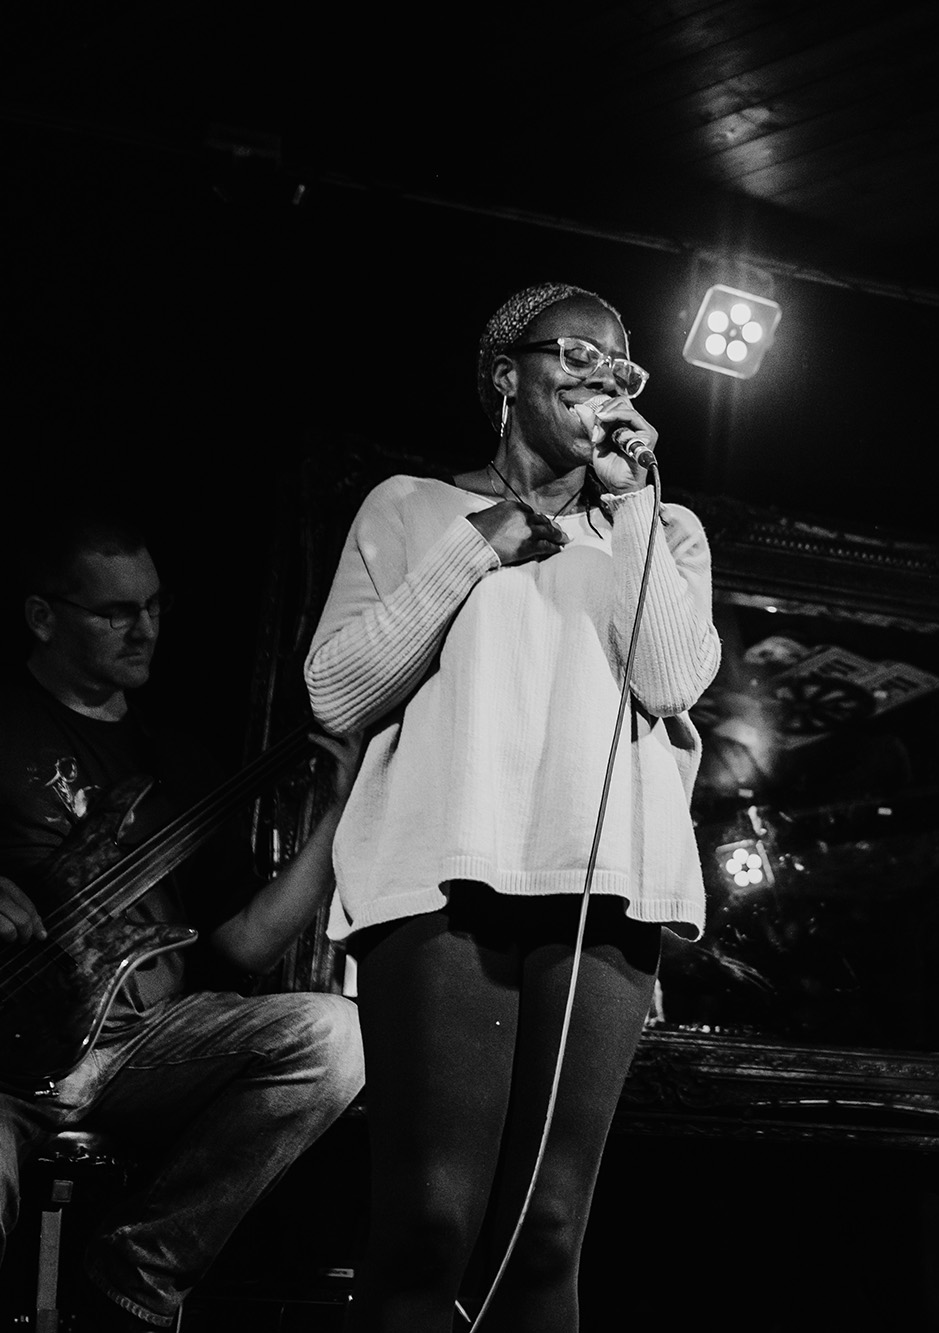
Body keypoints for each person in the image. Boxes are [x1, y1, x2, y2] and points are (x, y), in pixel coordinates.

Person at [305, 281, 719, 1333]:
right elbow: (338, 691)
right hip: (440, 880)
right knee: (428, 1222)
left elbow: (671, 677)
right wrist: (478, 545)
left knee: (545, 1232)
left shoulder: (660, 527)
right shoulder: (411, 507)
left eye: (618, 365)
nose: (600, 378)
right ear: (505, 374)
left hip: (606, 890)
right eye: (573, 355)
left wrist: (632, 505)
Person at [0, 512, 366, 1332]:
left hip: (144, 1047)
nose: (145, 628)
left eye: (155, 605)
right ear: (43, 616)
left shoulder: (179, 761)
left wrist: (337, 818)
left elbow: (244, 946)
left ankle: (136, 1272)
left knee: (336, 1036)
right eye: (116, 612)